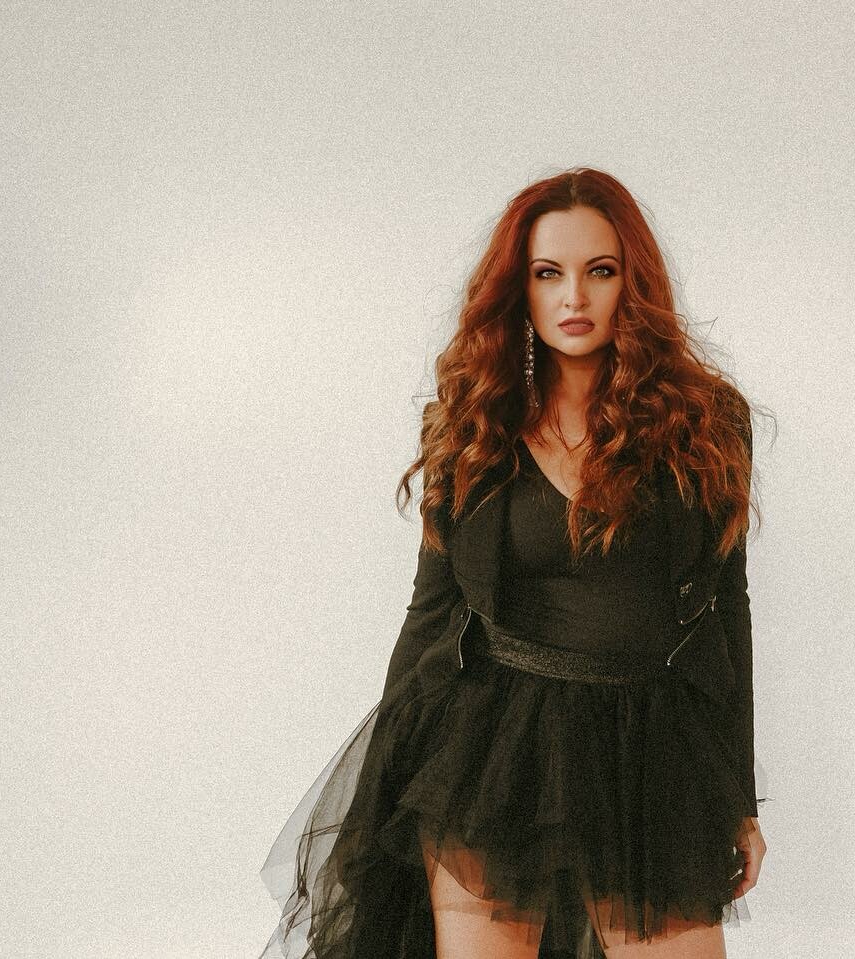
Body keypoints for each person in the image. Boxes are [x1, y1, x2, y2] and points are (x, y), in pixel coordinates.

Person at [259, 167, 769, 959]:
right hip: (492, 748)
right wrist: (379, 791)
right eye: (548, 273)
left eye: (601, 271)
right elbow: (431, 611)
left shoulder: (704, 422)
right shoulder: (473, 423)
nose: (575, 297)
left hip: (647, 753)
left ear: (633, 283)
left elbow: (727, 608)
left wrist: (739, 796)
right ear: (519, 289)